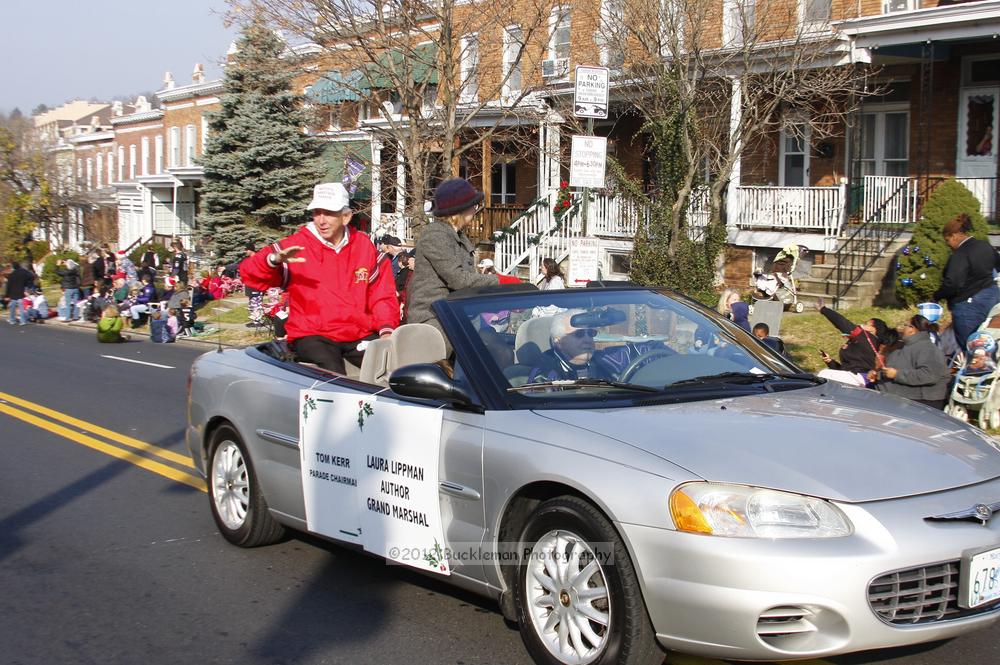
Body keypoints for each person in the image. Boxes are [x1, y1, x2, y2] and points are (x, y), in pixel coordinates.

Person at [241, 182, 400, 374]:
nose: (321, 220)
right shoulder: (295, 245)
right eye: (317, 212)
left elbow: (382, 296)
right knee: (333, 374)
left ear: (346, 217)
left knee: (393, 369)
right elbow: (249, 274)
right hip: (312, 335)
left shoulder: (364, 247)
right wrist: (272, 260)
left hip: (357, 333)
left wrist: (386, 330)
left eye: (329, 213)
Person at [407, 178, 520, 342]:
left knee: (498, 347)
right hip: (433, 318)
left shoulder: (457, 236)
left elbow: (468, 286)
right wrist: (501, 281)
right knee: (479, 351)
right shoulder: (435, 235)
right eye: (472, 205)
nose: (475, 209)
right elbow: (458, 279)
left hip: (455, 314)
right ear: (459, 210)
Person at [934, 213, 1000, 347]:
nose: (949, 245)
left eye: (947, 241)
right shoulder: (985, 246)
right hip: (992, 298)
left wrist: (937, 295)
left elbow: (953, 283)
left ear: (953, 236)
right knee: (991, 343)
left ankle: (978, 367)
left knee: (971, 347)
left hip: (969, 305)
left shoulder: (960, 254)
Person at [869, 315, 951, 409]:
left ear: (912, 329)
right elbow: (890, 369)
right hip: (891, 396)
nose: (903, 329)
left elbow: (930, 375)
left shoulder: (928, 349)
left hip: (919, 402)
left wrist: (897, 374)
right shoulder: (902, 347)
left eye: (905, 325)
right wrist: (878, 374)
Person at [814, 297, 891, 386]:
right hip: (852, 377)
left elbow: (843, 324)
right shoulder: (857, 341)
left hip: (861, 379)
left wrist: (824, 310)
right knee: (825, 375)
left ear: (875, 330)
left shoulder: (869, 339)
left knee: (824, 374)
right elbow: (846, 369)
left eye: (867, 324)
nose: (862, 325)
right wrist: (830, 362)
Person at [527, 309, 613, 382]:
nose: (588, 339)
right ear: (558, 341)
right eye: (579, 334)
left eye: (591, 333)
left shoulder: (603, 360)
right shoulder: (544, 374)